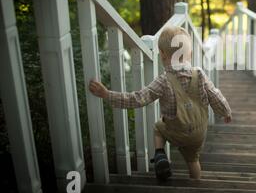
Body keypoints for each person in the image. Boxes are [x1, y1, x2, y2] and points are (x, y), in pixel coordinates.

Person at [88, 26, 232, 181]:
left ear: (162, 55)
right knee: (193, 161)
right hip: (198, 132)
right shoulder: (200, 74)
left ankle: (160, 155)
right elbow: (215, 95)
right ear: (190, 54)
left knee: (158, 127)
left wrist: (107, 94)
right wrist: (225, 111)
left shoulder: (163, 81)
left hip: (177, 131)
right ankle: (196, 187)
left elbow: (137, 99)